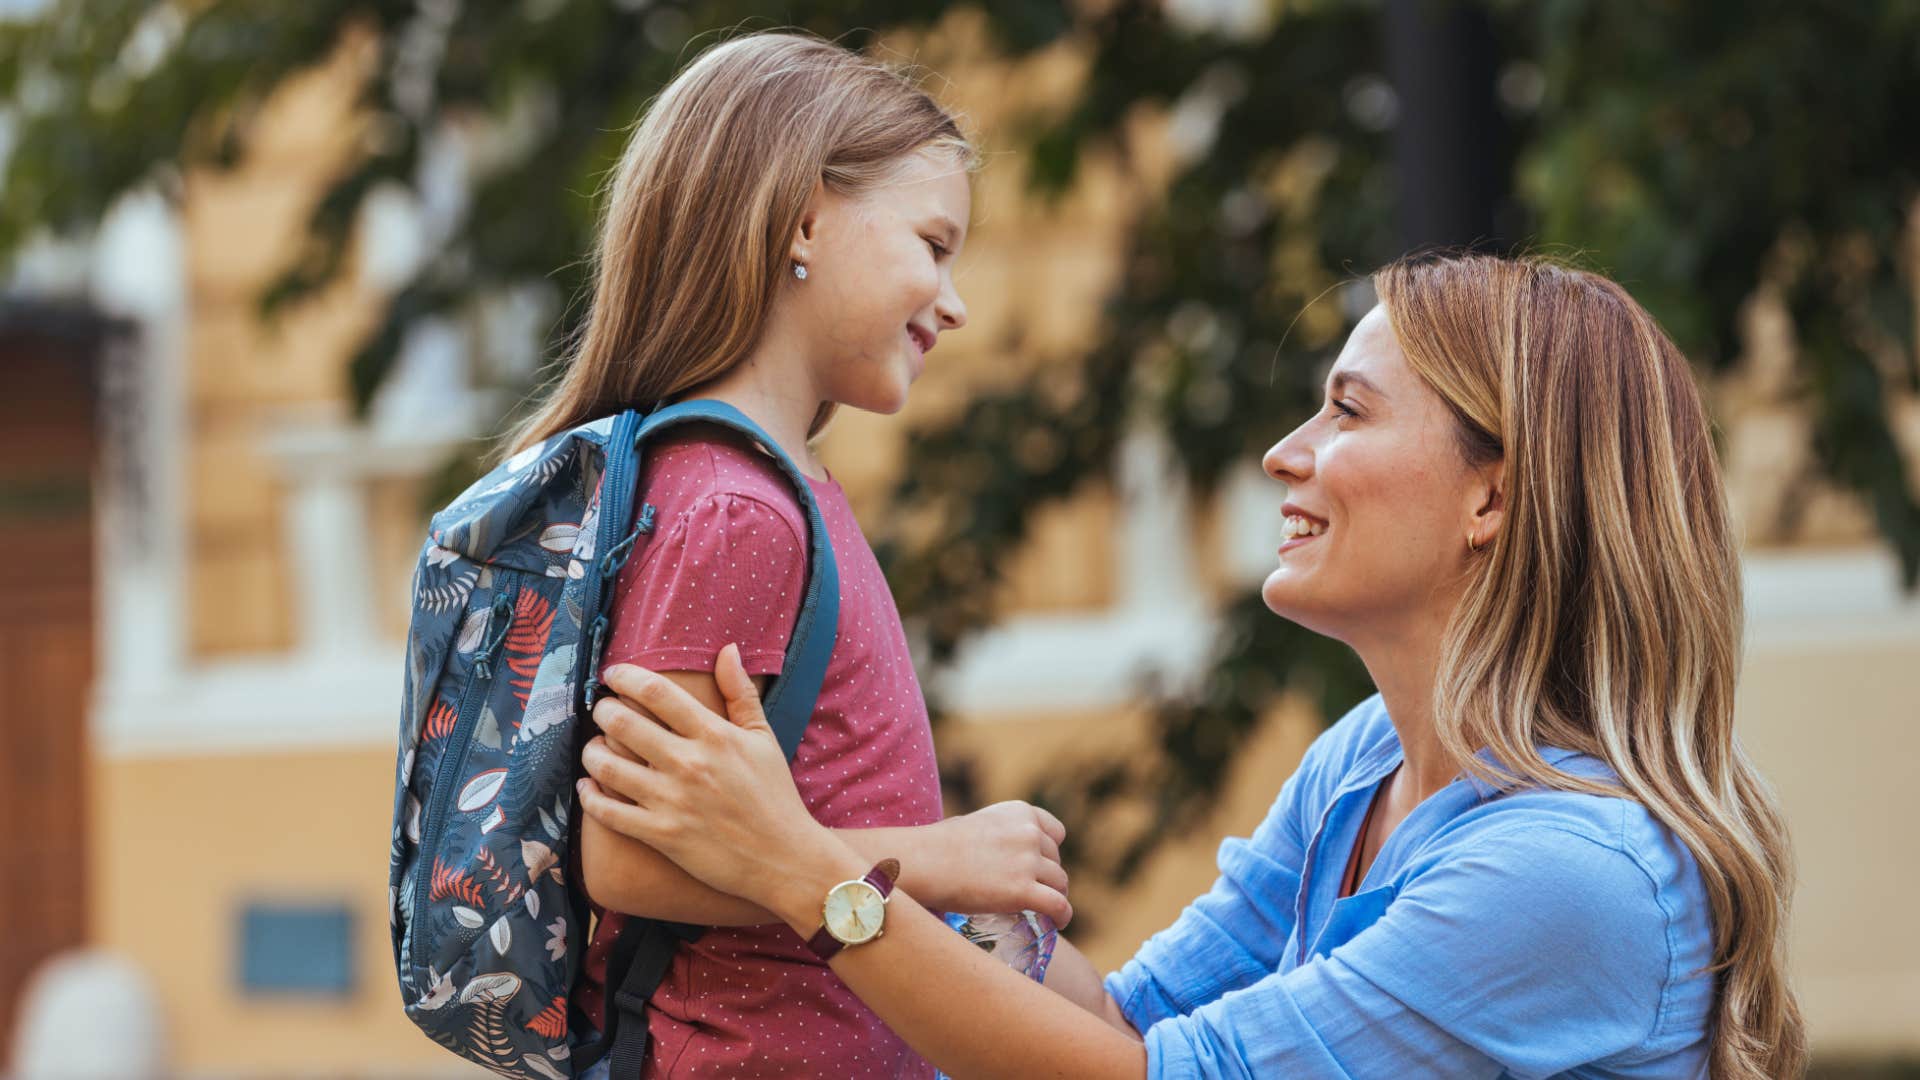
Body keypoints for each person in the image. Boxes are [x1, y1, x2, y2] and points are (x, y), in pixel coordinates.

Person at [574, 253, 1809, 1078]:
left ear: (1493, 494)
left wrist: (809, 876)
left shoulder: (1565, 873)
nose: (1286, 452)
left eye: (1350, 411)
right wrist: (952, 878)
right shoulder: (1364, 764)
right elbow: (1122, 1023)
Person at [499, 31, 1073, 1078]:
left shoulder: (775, 490)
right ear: (805, 218)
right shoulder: (733, 509)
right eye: (934, 245)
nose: (954, 301)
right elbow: (625, 858)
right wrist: (942, 861)